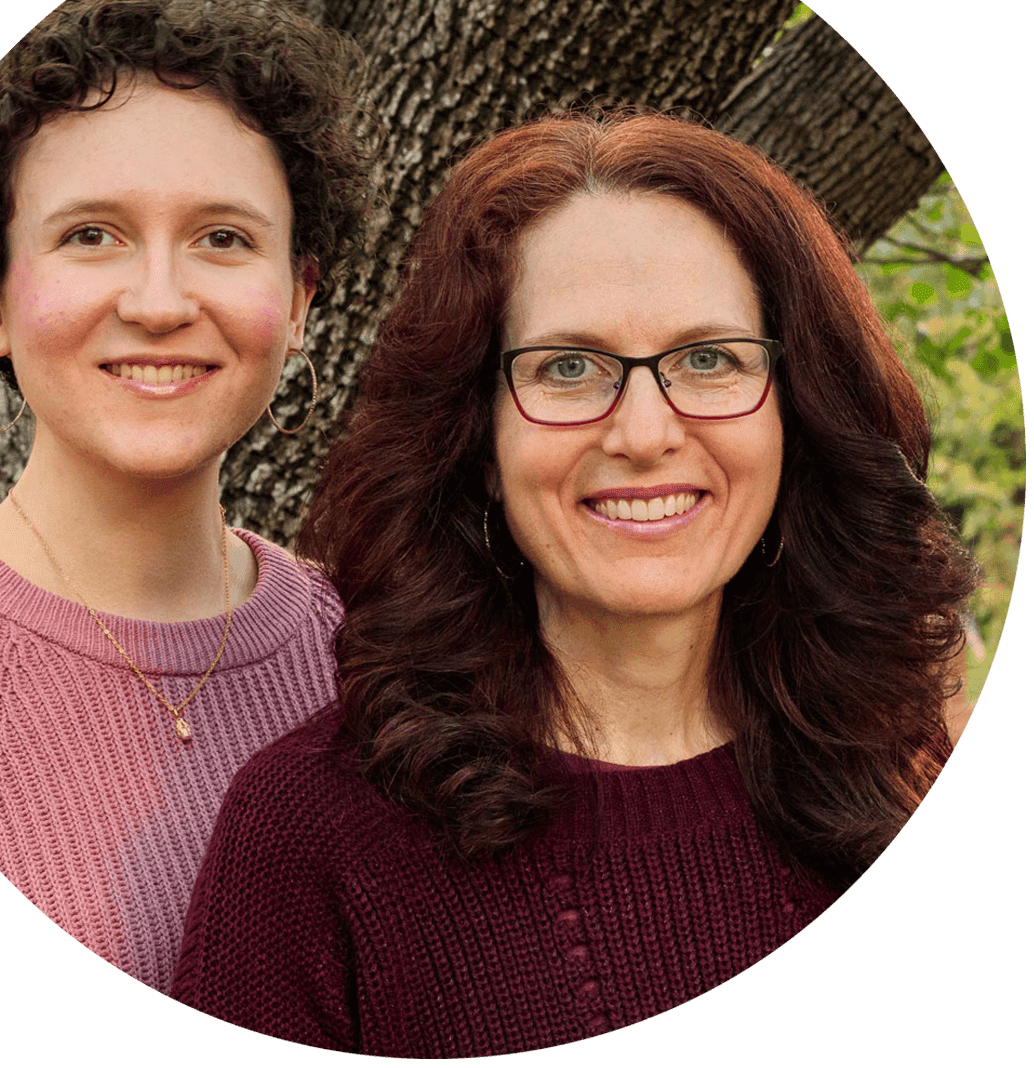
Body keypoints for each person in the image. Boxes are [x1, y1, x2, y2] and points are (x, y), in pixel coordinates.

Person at [171, 111, 978, 1054]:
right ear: (475, 440)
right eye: (567, 368)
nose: (643, 433)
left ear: (798, 414)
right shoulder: (315, 836)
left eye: (709, 359)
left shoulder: (913, 758)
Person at [0, 0, 376, 993]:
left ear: (299, 300)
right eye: (92, 234)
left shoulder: (388, 658)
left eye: (224, 237)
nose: (161, 301)